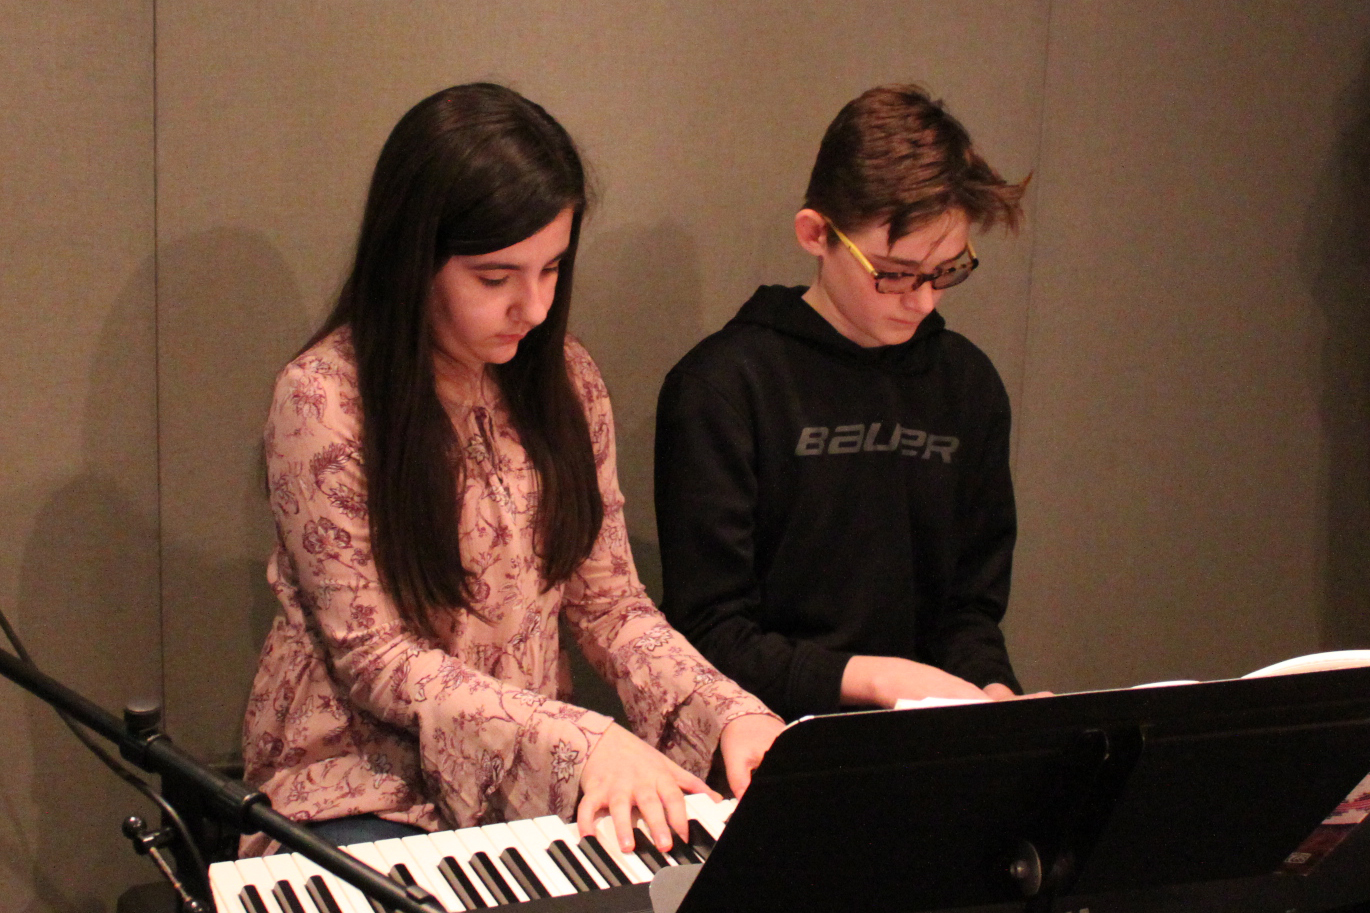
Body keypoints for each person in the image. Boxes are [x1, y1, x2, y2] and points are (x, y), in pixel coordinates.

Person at [241, 83, 783, 857]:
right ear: (414, 259)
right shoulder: (324, 398)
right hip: (357, 784)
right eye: (495, 279)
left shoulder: (566, 379)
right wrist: (583, 741)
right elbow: (377, 659)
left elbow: (611, 606)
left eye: (552, 268)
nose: (532, 306)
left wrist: (729, 713)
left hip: (516, 786)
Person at [654, 84, 1030, 723]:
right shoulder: (725, 386)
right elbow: (708, 632)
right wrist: (871, 679)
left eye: (947, 270)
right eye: (894, 272)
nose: (922, 300)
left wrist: (993, 692)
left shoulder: (966, 384)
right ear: (816, 234)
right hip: (767, 736)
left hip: (926, 730)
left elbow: (969, 610)